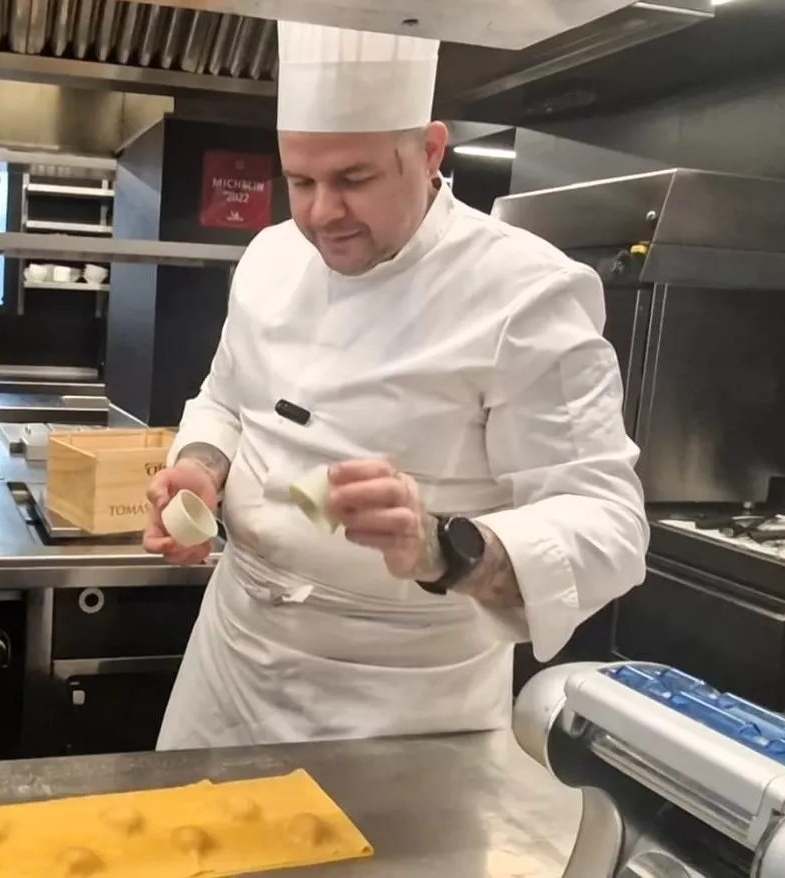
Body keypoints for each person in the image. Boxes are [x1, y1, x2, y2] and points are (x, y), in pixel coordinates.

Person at [144, 23, 649, 747]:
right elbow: (226, 400)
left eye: (354, 179)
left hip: (401, 703)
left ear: (431, 151)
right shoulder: (269, 256)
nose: (321, 213)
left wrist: (443, 547)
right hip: (231, 665)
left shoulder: (525, 293)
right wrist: (200, 469)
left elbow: (609, 527)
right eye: (300, 181)